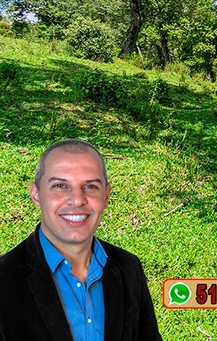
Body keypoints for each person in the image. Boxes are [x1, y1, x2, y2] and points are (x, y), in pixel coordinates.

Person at [0, 139, 162, 341]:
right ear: (36, 194)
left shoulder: (129, 268)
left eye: (91, 186)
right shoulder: (4, 279)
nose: (77, 200)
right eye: (60, 185)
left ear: (106, 196)